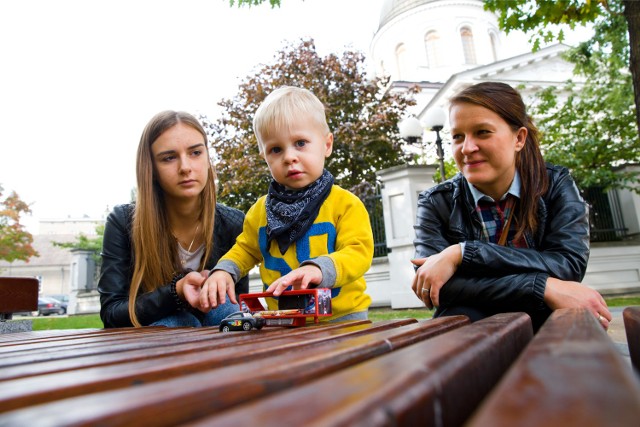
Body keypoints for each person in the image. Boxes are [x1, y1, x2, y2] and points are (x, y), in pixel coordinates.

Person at [411, 82, 611, 331]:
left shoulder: (555, 184)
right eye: (458, 136)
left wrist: (462, 253)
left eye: (483, 132)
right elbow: (436, 287)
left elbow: (567, 265)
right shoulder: (435, 201)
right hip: (470, 334)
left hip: (546, 328)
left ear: (519, 138)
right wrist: (541, 286)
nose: (467, 148)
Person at [200, 86, 374, 322]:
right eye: (276, 149)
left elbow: (358, 252)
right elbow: (245, 249)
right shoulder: (260, 211)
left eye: (300, 143)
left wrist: (318, 269)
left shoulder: (345, 204)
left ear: (327, 144)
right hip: (282, 318)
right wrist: (224, 270)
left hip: (342, 318)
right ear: (264, 156)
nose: (289, 156)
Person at [99, 110, 248, 328]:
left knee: (227, 311)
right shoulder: (123, 222)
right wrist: (176, 292)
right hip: (156, 338)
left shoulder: (233, 223)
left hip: (216, 337)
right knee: (179, 321)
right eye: (169, 158)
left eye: (195, 153)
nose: (185, 167)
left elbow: (238, 303)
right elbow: (112, 314)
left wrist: (217, 286)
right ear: (151, 168)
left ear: (208, 158)